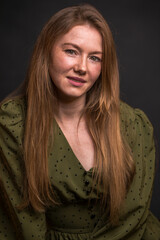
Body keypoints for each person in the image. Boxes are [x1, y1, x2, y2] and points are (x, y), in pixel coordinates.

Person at [0, 4, 159, 240]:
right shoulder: (13, 123)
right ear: (46, 51)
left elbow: (133, 217)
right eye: (71, 51)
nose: (82, 68)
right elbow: (26, 227)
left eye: (94, 58)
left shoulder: (131, 124)